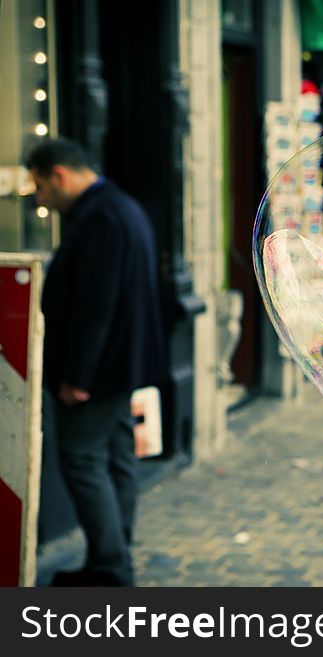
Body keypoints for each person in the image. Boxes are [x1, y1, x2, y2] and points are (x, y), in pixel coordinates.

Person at [27, 138, 164, 586]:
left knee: (84, 460)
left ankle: (110, 567)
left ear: (59, 176)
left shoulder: (101, 216)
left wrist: (78, 375)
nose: (41, 200)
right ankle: (114, 555)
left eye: (41, 188)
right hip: (124, 364)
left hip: (100, 370)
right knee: (117, 457)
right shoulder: (122, 207)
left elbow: (96, 304)